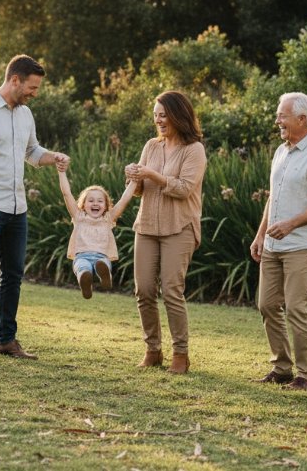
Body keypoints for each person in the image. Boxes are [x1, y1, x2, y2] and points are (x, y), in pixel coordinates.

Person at [0, 54, 69, 362]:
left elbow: (32, 152)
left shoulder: (25, 114)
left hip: (18, 208)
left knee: (13, 274)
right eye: (32, 87)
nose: (35, 93)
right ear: (15, 80)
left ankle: (6, 340)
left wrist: (53, 157)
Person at [249, 92, 307, 390]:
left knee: (297, 307)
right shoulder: (281, 152)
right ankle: (282, 368)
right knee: (267, 304)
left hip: (302, 244)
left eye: (282, 116)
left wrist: (290, 224)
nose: (278, 121)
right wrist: (261, 234)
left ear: (302, 119)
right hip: (273, 244)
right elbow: (273, 197)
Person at [125, 90, 206, 375]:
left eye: (163, 115)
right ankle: (153, 350)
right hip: (147, 225)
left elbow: (184, 188)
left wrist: (151, 174)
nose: (158, 121)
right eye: (156, 116)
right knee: (144, 290)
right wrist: (134, 177)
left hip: (179, 227)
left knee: (172, 290)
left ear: (178, 116)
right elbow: (139, 190)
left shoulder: (194, 149)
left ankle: (180, 354)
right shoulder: (151, 146)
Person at [56, 164, 138, 299]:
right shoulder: (78, 216)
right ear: (83, 205)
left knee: (102, 264)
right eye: (91, 201)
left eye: (100, 201)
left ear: (106, 206)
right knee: (83, 268)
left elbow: (124, 199)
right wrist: (61, 172)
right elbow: (67, 193)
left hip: (101, 257)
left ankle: (105, 277)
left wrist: (135, 180)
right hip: (82, 256)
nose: (95, 203)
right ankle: (85, 283)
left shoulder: (108, 218)